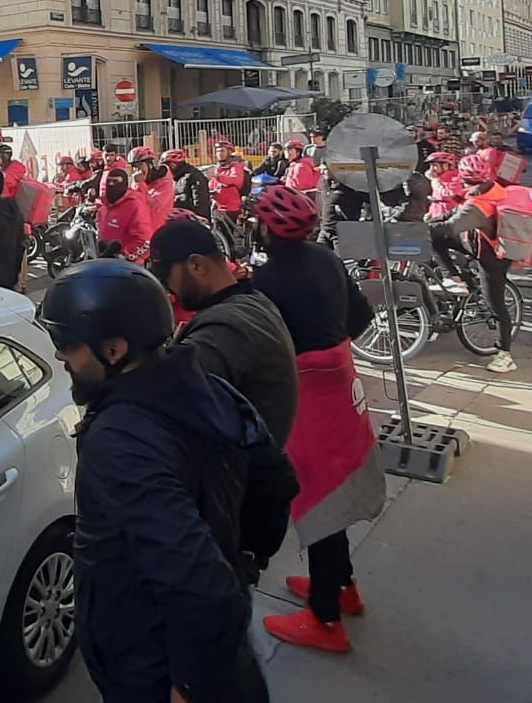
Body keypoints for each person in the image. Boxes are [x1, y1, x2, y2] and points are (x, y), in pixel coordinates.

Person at [36, 261, 291, 703]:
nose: (60, 356)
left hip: (152, 662)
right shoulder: (207, 386)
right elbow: (276, 481)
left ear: (113, 350)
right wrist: (245, 560)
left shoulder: (118, 442)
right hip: (198, 641)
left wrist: (191, 685)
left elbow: (201, 585)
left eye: (67, 345)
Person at [245, 186, 386, 654]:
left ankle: (326, 619)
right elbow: (361, 318)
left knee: (321, 503)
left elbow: (259, 354)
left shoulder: (264, 285)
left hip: (307, 405)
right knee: (338, 489)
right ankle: (343, 586)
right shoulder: (326, 259)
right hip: (344, 393)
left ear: (267, 229)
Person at [151, 217, 300, 443]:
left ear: (197, 266)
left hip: (244, 472)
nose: (168, 288)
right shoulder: (253, 300)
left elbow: (164, 406)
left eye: (166, 277)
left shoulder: (225, 330)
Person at [429, 152, 520, 373]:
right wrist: (432, 221)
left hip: (493, 257)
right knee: (435, 239)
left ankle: (505, 356)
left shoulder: (479, 204)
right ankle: (459, 279)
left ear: (462, 176)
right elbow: (454, 212)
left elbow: (452, 226)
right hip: (481, 245)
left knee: (496, 306)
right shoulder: (488, 189)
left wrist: (421, 228)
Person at [95, 166, 155, 264]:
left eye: (115, 182)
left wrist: (124, 256)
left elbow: (144, 241)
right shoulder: (105, 207)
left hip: (128, 267)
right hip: (105, 262)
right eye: (109, 182)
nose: (111, 185)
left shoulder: (135, 206)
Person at [211, 140, 249, 234]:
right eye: (217, 151)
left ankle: (232, 247)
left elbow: (236, 180)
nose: (219, 153)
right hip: (218, 203)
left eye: (222, 151)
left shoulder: (236, 165)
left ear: (229, 152)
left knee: (227, 231)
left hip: (231, 205)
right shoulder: (218, 166)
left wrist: (218, 177)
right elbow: (213, 183)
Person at [129, 147, 175, 224]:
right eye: (134, 167)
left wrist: (139, 184)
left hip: (159, 229)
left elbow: (155, 206)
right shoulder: (138, 181)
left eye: (140, 165)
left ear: (150, 165)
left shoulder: (164, 181)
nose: (137, 170)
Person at [168, 149, 213, 220]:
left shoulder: (193, 176)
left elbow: (201, 200)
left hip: (192, 220)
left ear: (173, 164)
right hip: (182, 218)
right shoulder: (178, 177)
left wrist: (200, 219)